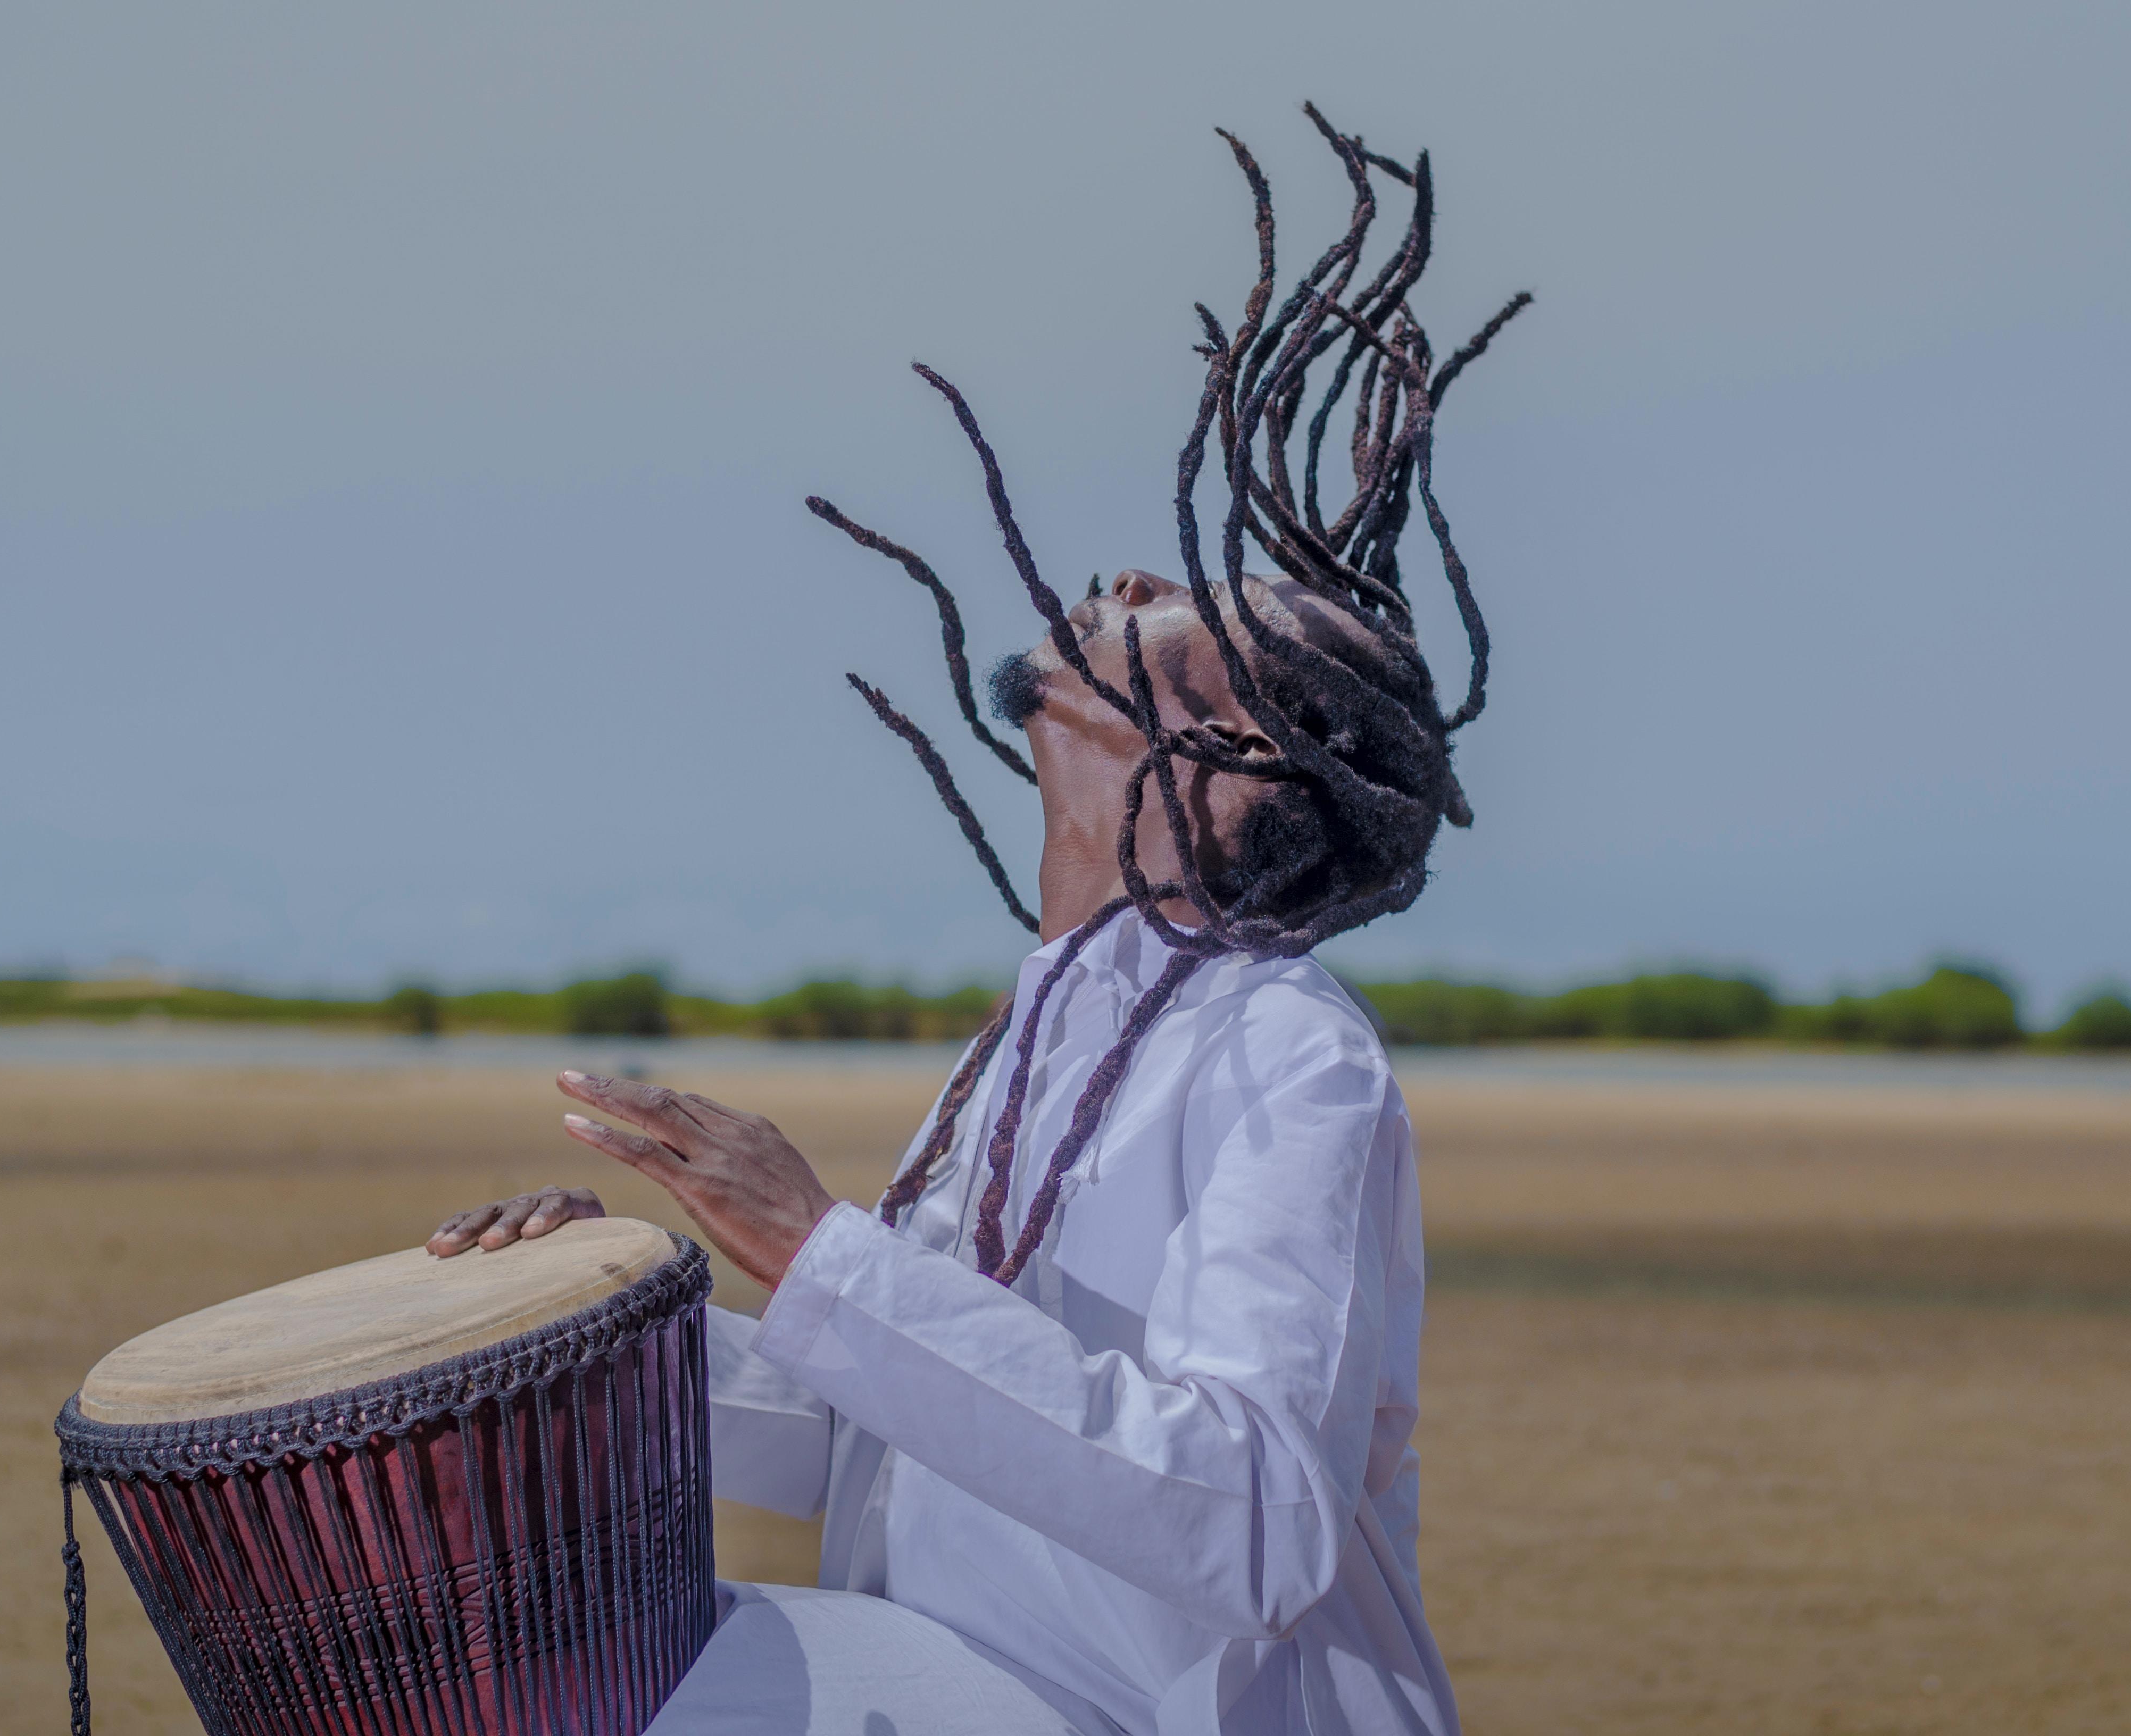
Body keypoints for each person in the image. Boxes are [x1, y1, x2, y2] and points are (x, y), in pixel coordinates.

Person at [429, 107, 1527, 1735]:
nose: (1138, 580)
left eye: (1201, 611)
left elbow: (1261, 1521)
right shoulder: (1036, 1041)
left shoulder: (1292, 1058)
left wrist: (818, 1246)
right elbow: (883, 1434)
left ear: (1237, 769)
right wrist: (604, 1328)